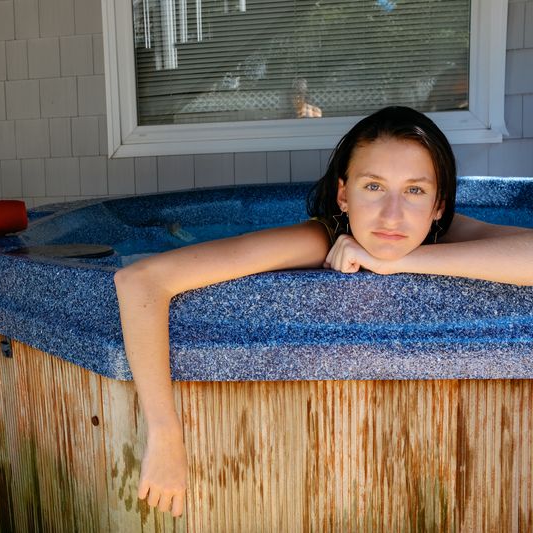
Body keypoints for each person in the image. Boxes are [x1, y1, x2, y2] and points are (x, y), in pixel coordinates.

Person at [113, 106, 533, 518]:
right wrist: (164, 434)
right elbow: (140, 281)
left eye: (415, 191)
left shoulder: (441, 231)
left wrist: (399, 261)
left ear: (439, 205)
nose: (393, 215)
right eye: (374, 186)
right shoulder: (319, 239)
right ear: (343, 194)